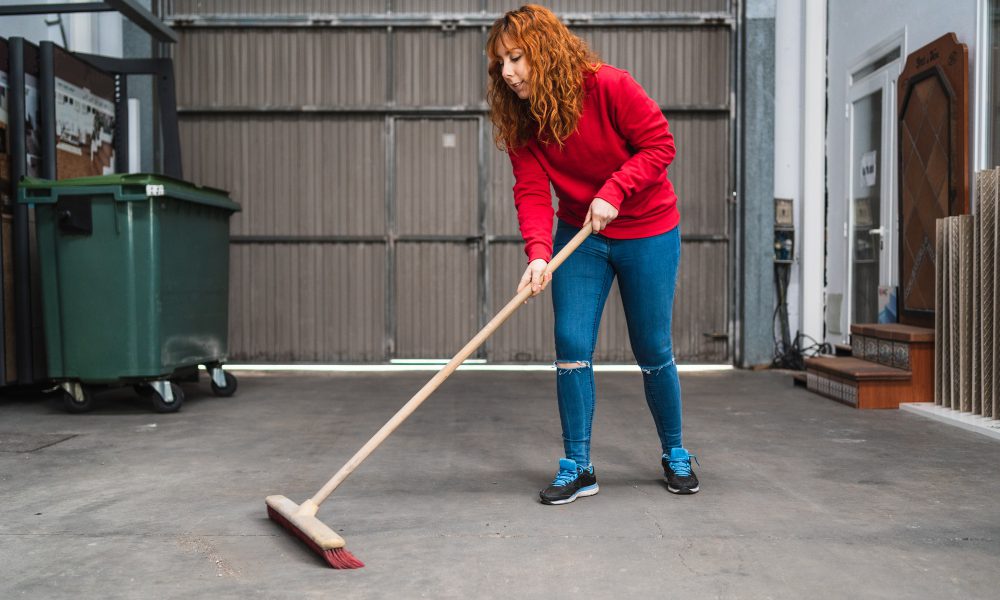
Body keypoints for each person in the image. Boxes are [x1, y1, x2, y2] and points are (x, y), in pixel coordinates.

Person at [486, 5, 699, 505]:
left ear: (546, 50)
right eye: (500, 64)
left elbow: (659, 144)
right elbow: (532, 190)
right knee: (570, 341)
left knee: (651, 346)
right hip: (580, 234)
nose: (508, 72)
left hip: (647, 228)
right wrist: (539, 254)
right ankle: (578, 466)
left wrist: (616, 189)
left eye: (516, 58)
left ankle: (675, 452)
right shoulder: (523, 120)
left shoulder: (609, 86)